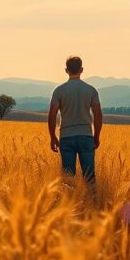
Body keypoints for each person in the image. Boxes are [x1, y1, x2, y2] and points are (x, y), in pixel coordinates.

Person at [48, 55, 103, 184]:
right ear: (81, 70)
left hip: (66, 137)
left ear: (66, 70)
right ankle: (92, 202)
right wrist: (96, 136)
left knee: (68, 179)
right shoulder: (91, 90)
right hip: (86, 136)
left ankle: (70, 203)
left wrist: (52, 137)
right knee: (89, 177)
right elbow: (98, 115)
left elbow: (52, 115)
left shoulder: (58, 91)